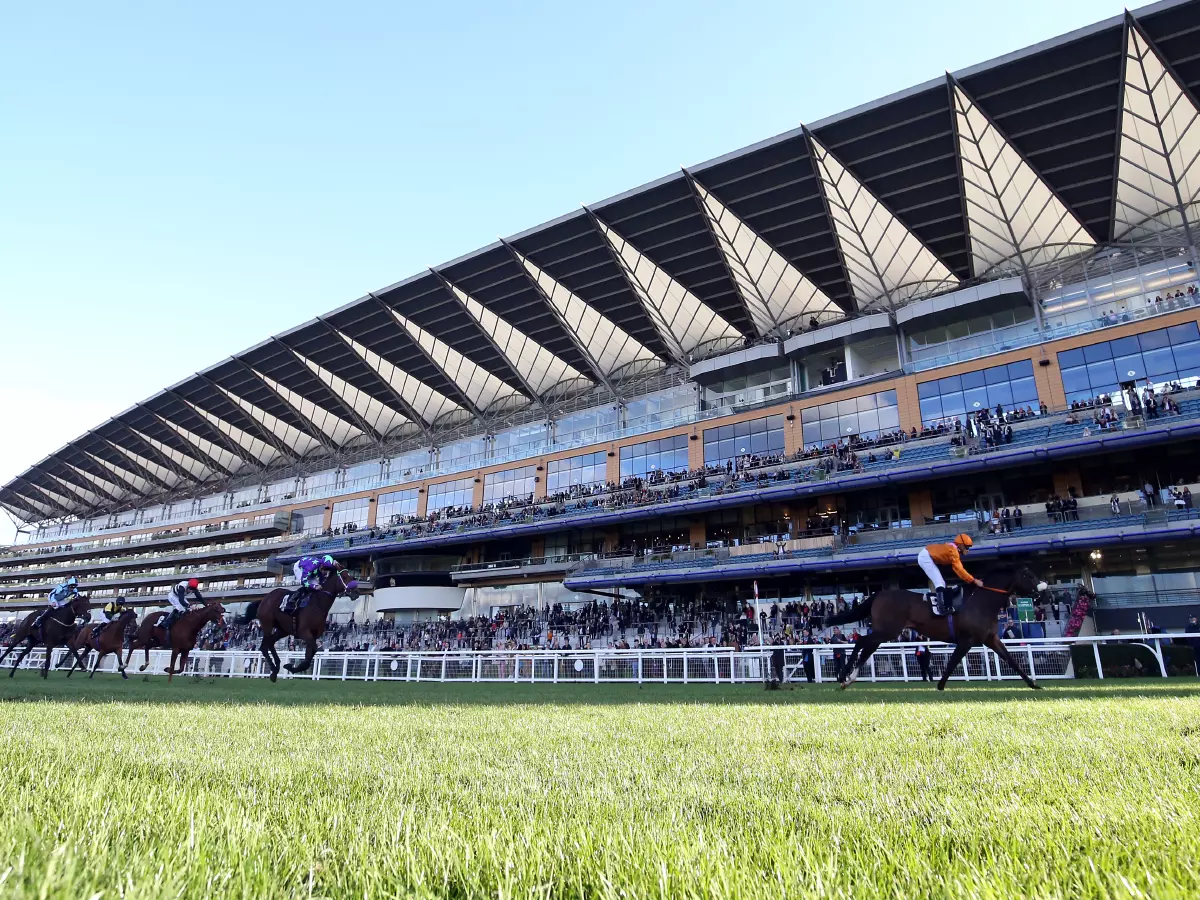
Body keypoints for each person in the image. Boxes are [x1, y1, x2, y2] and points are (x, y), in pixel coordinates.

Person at [916, 534, 981, 616]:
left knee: (941, 583)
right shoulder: (953, 551)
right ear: (960, 545)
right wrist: (974, 580)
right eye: (966, 547)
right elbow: (959, 570)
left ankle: (932, 598)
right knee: (939, 583)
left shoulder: (954, 549)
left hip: (927, 555)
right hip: (926, 557)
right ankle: (941, 608)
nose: (967, 550)